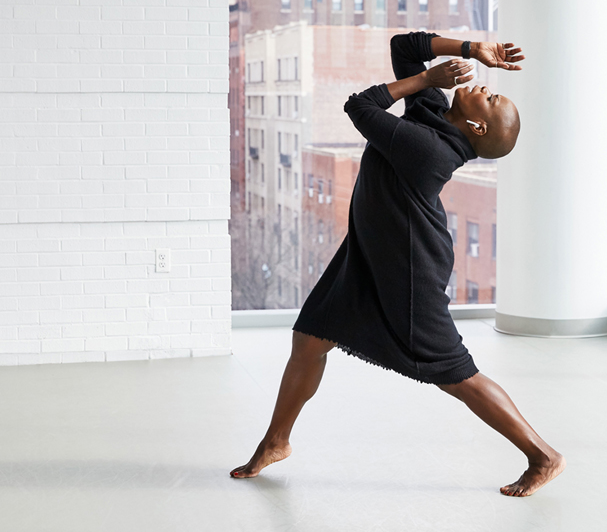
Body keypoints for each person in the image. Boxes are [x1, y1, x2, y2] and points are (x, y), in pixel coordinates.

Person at [230, 32, 565, 497]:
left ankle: (542, 456)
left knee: (455, 373)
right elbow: (405, 47)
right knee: (309, 339)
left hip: (409, 271)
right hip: (371, 254)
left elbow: (359, 107)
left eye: (490, 98)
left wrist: (428, 77)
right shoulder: (436, 114)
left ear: (479, 128)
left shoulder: (430, 151)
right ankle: (276, 441)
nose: (485, 87)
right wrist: (470, 49)